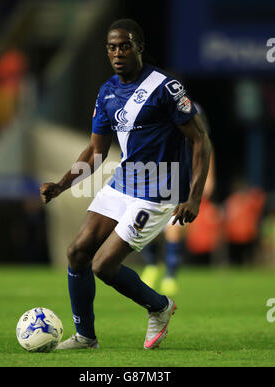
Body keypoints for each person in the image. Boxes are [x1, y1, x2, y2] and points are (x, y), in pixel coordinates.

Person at [40, 19, 211, 350]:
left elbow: (201, 140)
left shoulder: (165, 87)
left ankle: (159, 307)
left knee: (104, 265)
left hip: (158, 192)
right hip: (123, 183)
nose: (117, 52)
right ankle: (86, 337)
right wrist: (62, 185)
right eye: (111, 47)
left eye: (124, 45)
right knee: (77, 253)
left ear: (139, 48)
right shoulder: (107, 92)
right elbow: (96, 151)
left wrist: (195, 197)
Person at [141, 104, 216, 295]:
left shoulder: (192, 109)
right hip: (153, 175)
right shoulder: (151, 106)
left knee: (174, 226)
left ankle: (170, 276)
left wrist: (209, 176)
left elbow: (205, 142)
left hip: (181, 176)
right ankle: (151, 265)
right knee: (143, 223)